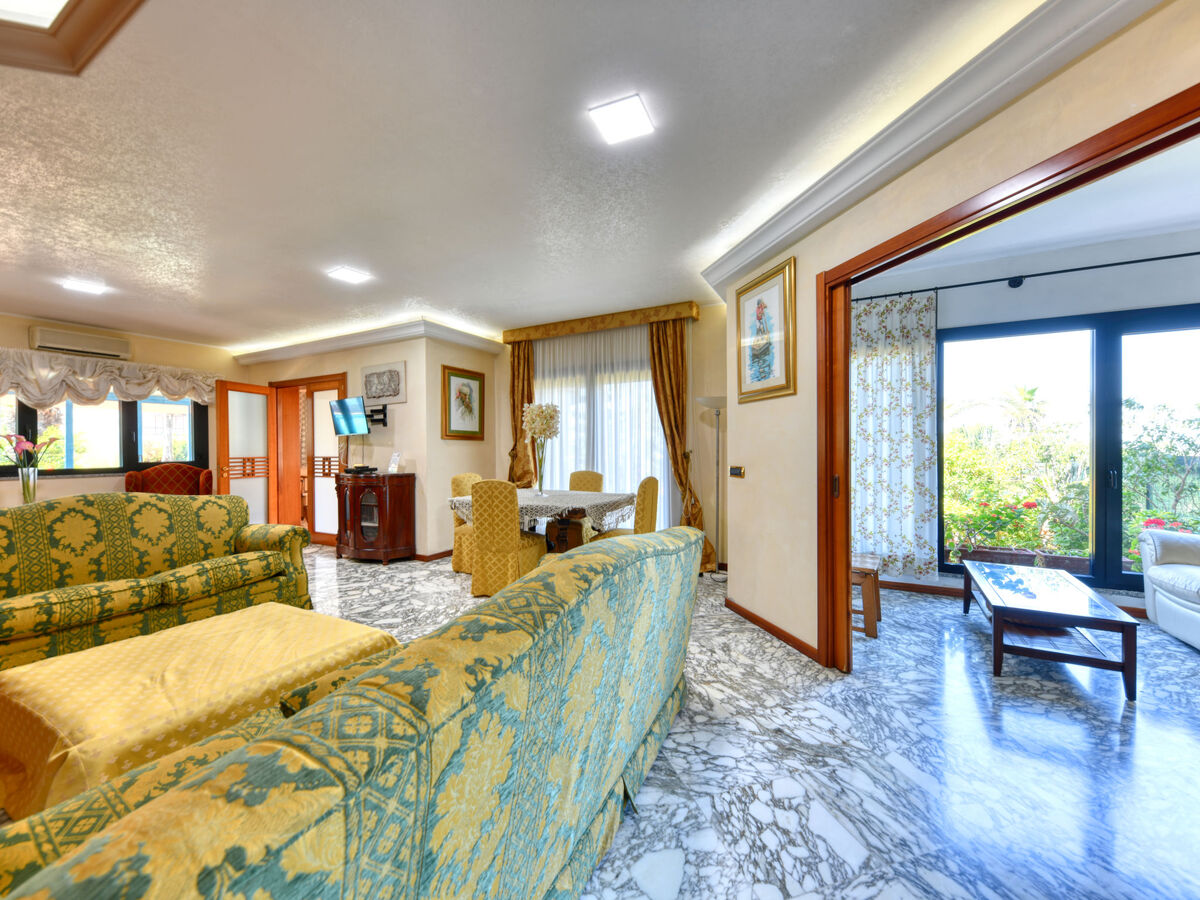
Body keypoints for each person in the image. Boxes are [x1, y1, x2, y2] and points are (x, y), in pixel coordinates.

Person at [748, 297, 775, 382]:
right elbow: (759, 315)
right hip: (758, 322)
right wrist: (761, 312)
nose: (761, 305)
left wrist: (763, 307)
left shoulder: (761, 307)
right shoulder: (758, 309)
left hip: (761, 321)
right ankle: (758, 343)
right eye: (760, 304)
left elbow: (765, 306)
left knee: (762, 331)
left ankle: (762, 340)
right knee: (759, 331)